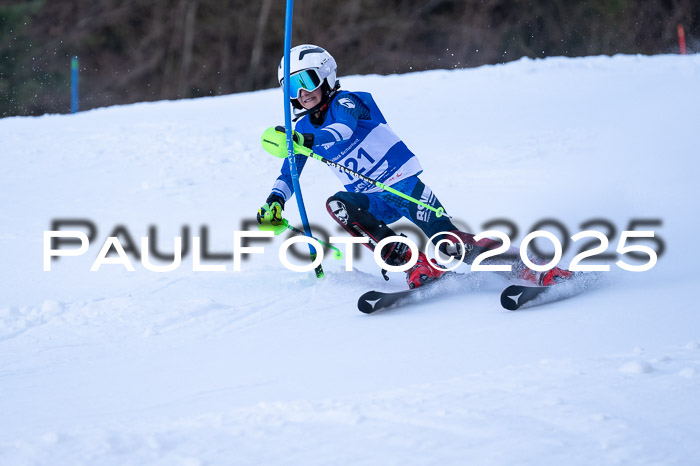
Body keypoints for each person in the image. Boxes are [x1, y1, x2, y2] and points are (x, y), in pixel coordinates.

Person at [257, 44, 572, 289]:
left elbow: (345, 129)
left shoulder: (350, 101)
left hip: (403, 185)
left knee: (451, 245)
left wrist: (307, 140)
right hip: (373, 198)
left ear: (326, 75)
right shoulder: (302, 130)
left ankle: (535, 269)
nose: (302, 93)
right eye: (291, 87)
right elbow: (290, 171)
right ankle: (414, 264)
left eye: (307, 81)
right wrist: (274, 200)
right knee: (339, 205)